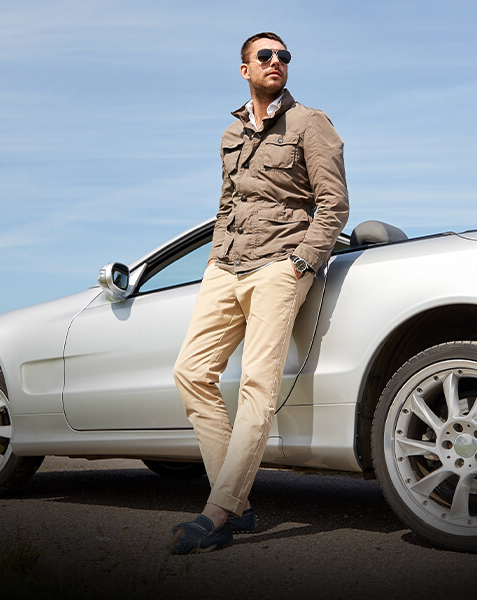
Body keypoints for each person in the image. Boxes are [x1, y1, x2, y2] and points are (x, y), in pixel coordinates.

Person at [170, 31, 350, 554]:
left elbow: (334, 205)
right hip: (226, 267)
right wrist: (213, 262)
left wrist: (299, 264)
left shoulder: (310, 123)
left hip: (280, 264)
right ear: (244, 69)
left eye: (283, 56)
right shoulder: (230, 133)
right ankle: (242, 506)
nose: (277, 62)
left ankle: (219, 510)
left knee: (256, 385)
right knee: (191, 373)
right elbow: (225, 204)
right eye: (265, 56)